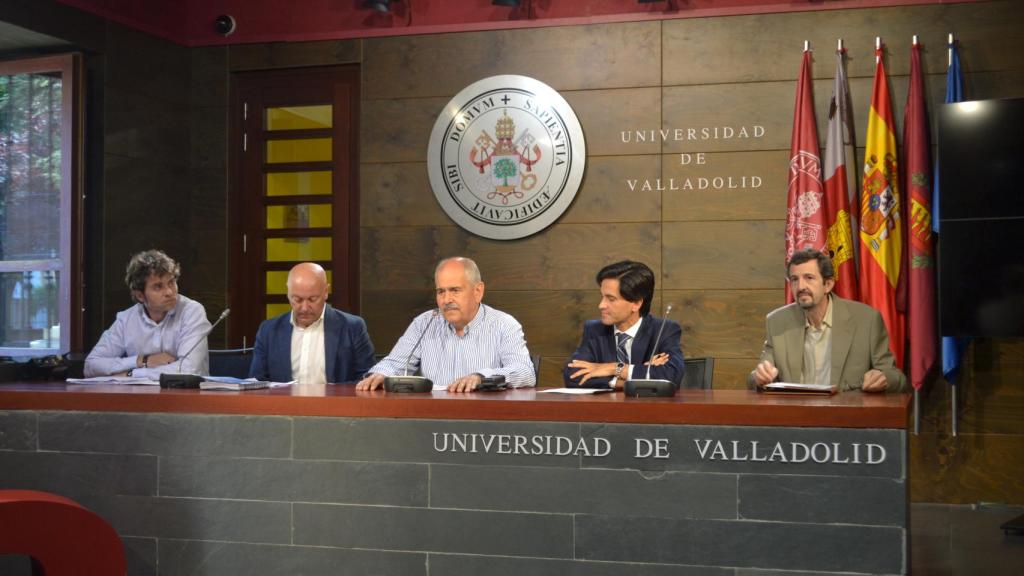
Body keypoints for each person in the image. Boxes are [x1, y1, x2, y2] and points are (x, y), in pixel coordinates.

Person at [356, 257, 535, 392]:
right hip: (429, 420)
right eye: (441, 292)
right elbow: (395, 364)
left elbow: (525, 372)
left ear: (478, 291)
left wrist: (481, 377)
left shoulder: (503, 325)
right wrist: (380, 374)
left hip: (484, 421)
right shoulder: (425, 323)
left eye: (455, 290)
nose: (447, 299)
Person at [749, 248, 907, 393]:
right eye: (794, 279)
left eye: (809, 278)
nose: (800, 286)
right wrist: (759, 377)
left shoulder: (866, 320)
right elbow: (757, 376)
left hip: (846, 417)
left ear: (828, 284)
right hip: (795, 418)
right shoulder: (777, 321)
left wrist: (884, 378)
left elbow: (896, 378)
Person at [85, 250, 211, 378]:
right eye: (158, 286)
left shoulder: (192, 311)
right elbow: (91, 366)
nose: (169, 292)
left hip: (185, 396)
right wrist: (141, 361)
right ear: (140, 296)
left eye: (171, 282)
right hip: (140, 396)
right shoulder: (126, 319)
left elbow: (189, 369)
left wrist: (131, 374)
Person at [564, 260, 685, 389]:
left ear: (636, 304)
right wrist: (630, 380)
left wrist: (613, 368)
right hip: (606, 408)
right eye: (602, 297)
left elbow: (671, 376)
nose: (601, 305)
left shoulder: (664, 330)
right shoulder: (594, 329)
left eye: (611, 299)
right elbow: (572, 376)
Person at [249, 262, 375, 384]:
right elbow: (257, 381)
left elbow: (366, 380)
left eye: (312, 299)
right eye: (297, 299)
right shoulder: (269, 330)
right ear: (288, 293)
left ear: (326, 292)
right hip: (284, 405)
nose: (304, 308)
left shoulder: (352, 327)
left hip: (335, 404)